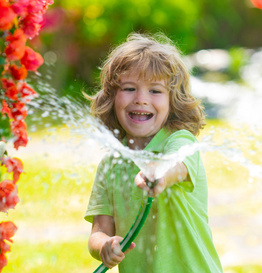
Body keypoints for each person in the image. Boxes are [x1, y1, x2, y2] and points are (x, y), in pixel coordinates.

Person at [84, 33, 222, 273]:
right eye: (129, 88)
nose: (141, 99)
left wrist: (159, 174)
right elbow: (98, 231)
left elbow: (176, 166)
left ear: (173, 101)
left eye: (155, 91)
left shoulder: (180, 141)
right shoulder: (110, 165)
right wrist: (104, 245)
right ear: (111, 97)